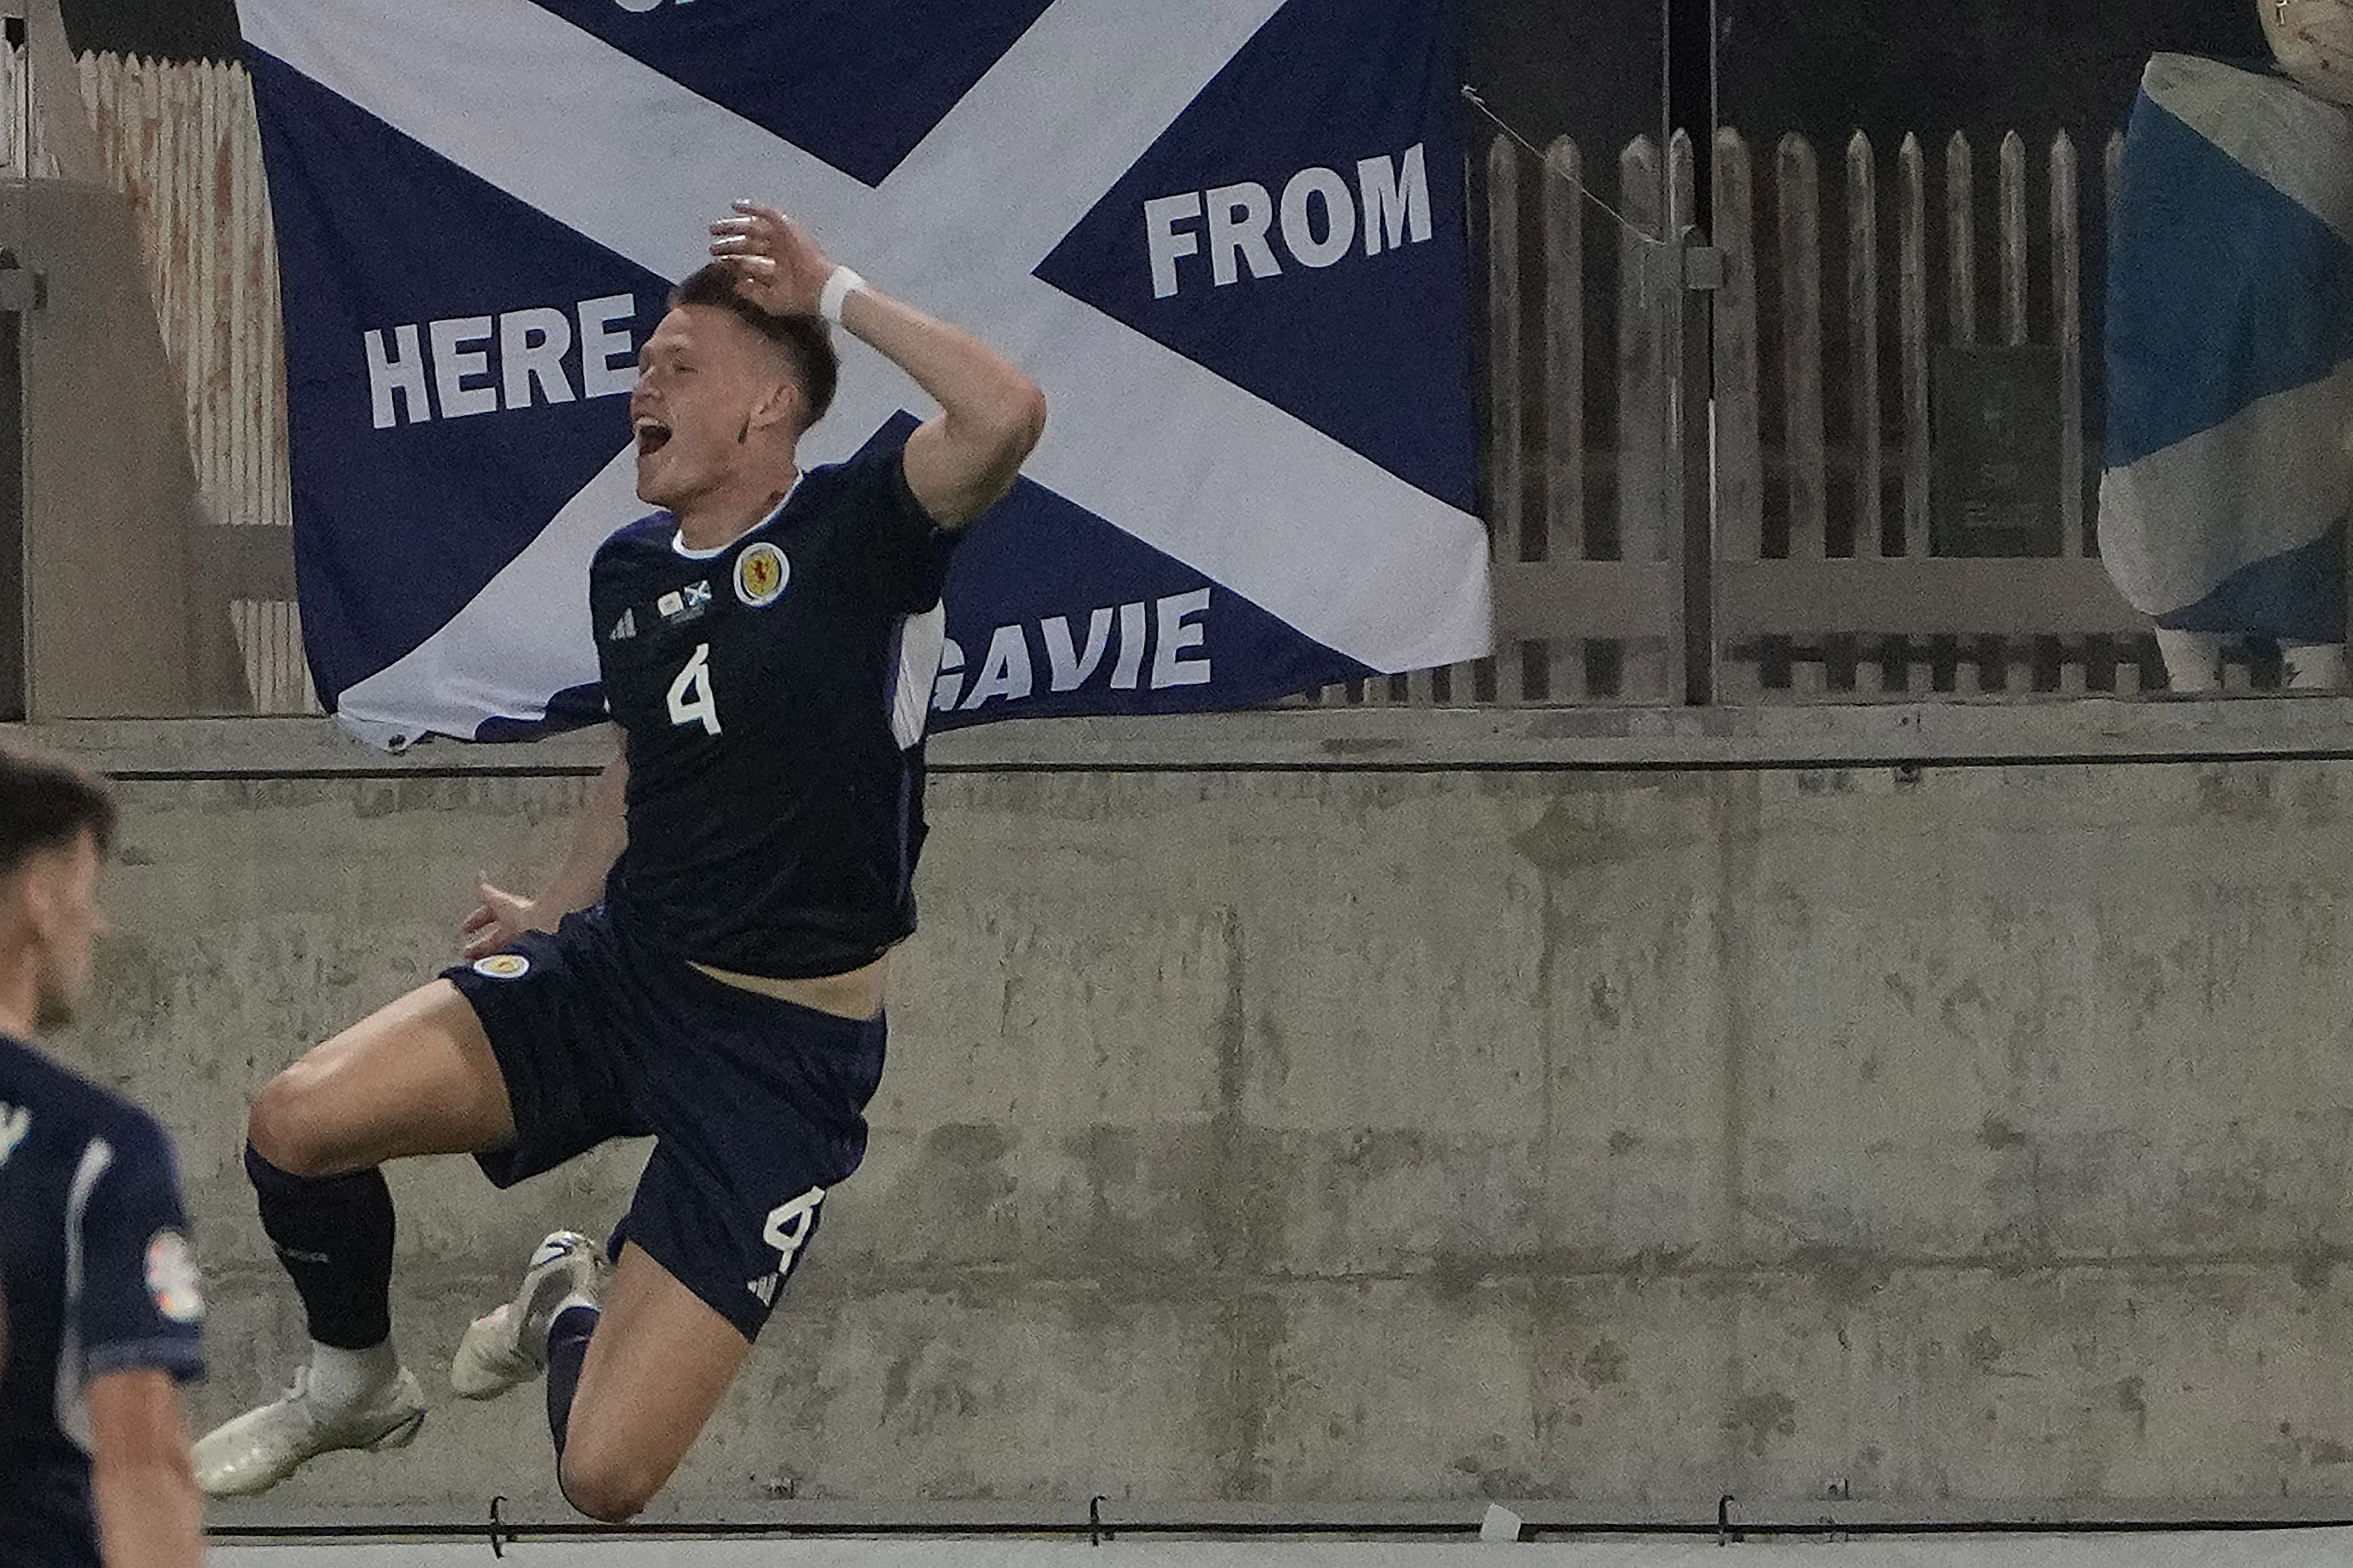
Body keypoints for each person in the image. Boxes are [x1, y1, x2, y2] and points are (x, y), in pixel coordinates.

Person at [194, 203, 1046, 1521]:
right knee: (295, 1124)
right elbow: (643, 765)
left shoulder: (858, 534)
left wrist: (834, 293)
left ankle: (562, 1301)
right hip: (624, 973)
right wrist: (553, 910)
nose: (642, 385)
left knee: (602, 1477)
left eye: (677, 365)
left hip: (779, 1059)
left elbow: (1004, 414)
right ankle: (353, 1378)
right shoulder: (629, 573)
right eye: (642, 363)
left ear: (767, 407)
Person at [0, 746, 207, 1568]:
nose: (99, 926)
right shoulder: (92, 1147)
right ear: (40, 901)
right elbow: (141, 1455)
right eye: (88, 892)